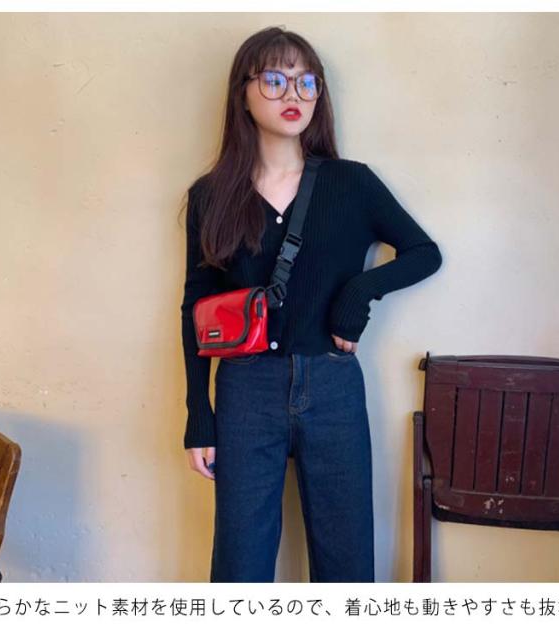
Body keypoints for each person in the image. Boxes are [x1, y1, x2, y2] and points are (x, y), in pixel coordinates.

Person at [179, 26, 443, 582]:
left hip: (331, 386)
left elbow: (424, 253)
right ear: (242, 93)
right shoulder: (212, 194)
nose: (293, 94)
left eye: (306, 81)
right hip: (246, 390)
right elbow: (196, 304)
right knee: (239, 566)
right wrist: (198, 415)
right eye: (275, 80)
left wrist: (357, 293)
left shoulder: (351, 184)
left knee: (346, 564)